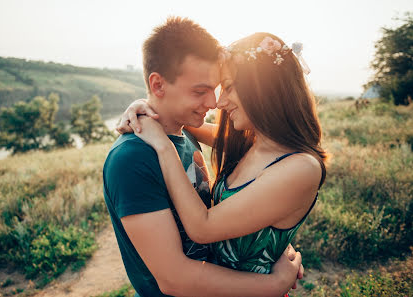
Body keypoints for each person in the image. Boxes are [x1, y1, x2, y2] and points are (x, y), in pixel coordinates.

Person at [103, 17, 303, 297]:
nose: (213, 103)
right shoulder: (132, 160)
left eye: (216, 88)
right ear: (158, 85)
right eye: (200, 91)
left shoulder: (188, 134)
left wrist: (274, 247)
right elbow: (174, 279)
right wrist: (274, 285)